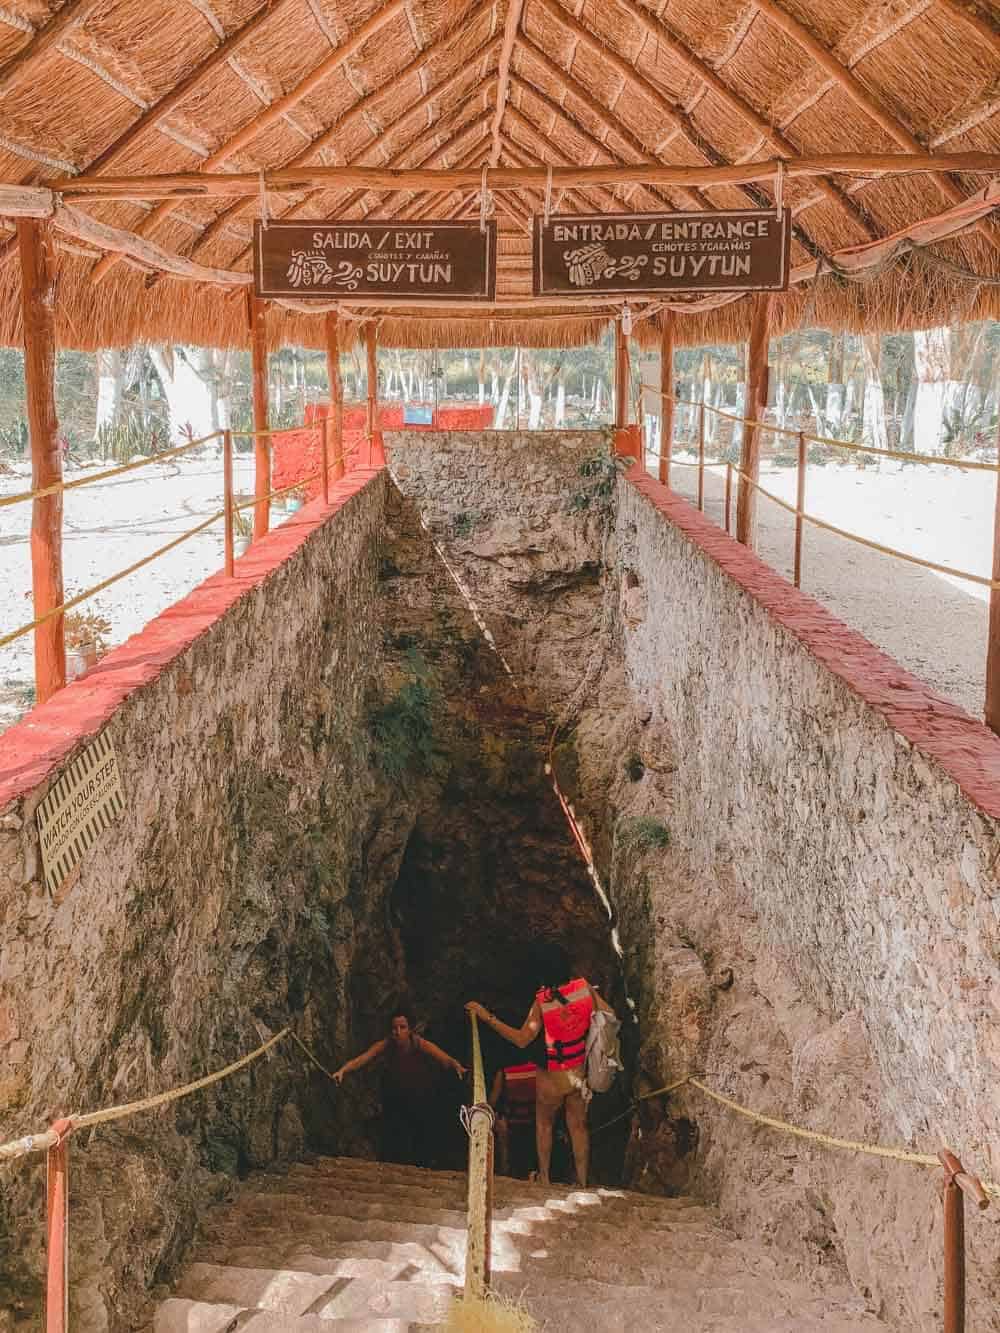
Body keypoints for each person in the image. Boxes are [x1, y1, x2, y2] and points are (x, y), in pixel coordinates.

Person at [466, 945, 616, 1187]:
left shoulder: (542, 1002)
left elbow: (522, 1039)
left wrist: (487, 1017)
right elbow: (609, 1014)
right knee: (578, 1127)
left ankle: (545, 1179)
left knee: (544, 1124)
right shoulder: (585, 989)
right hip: (579, 1072)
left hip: (554, 1076)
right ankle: (583, 1183)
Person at [332, 1007, 466, 1167]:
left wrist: (456, 1065)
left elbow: (443, 1057)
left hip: (421, 1094)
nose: (398, 1032)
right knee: (398, 1132)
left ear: (410, 1030)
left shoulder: (418, 1043)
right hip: (397, 1095)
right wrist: (343, 1071)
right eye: (394, 1028)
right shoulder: (386, 1045)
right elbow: (363, 1058)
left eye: (402, 1027)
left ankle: (424, 1163)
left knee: (421, 1132)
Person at [488, 1060, 538, 1178]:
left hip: (513, 1121)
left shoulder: (504, 1071)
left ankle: (504, 1169)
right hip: (534, 1121)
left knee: (499, 1123)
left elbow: (493, 1101)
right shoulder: (537, 1068)